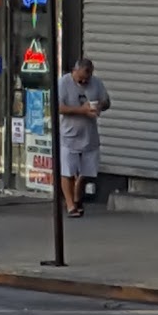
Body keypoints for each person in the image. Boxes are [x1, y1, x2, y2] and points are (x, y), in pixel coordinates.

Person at [57, 56, 110, 216]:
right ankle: (70, 205)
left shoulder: (96, 83)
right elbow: (58, 107)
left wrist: (100, 105)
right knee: (67, 170)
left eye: (86, 80)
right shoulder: (63, 83)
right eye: (80, 79)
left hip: (89, 134)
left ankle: (77, 196)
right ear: (74, 71)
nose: (83, 83)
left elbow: (107, 101)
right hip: (69, 134)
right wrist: (82, 110)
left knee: (87, 170)